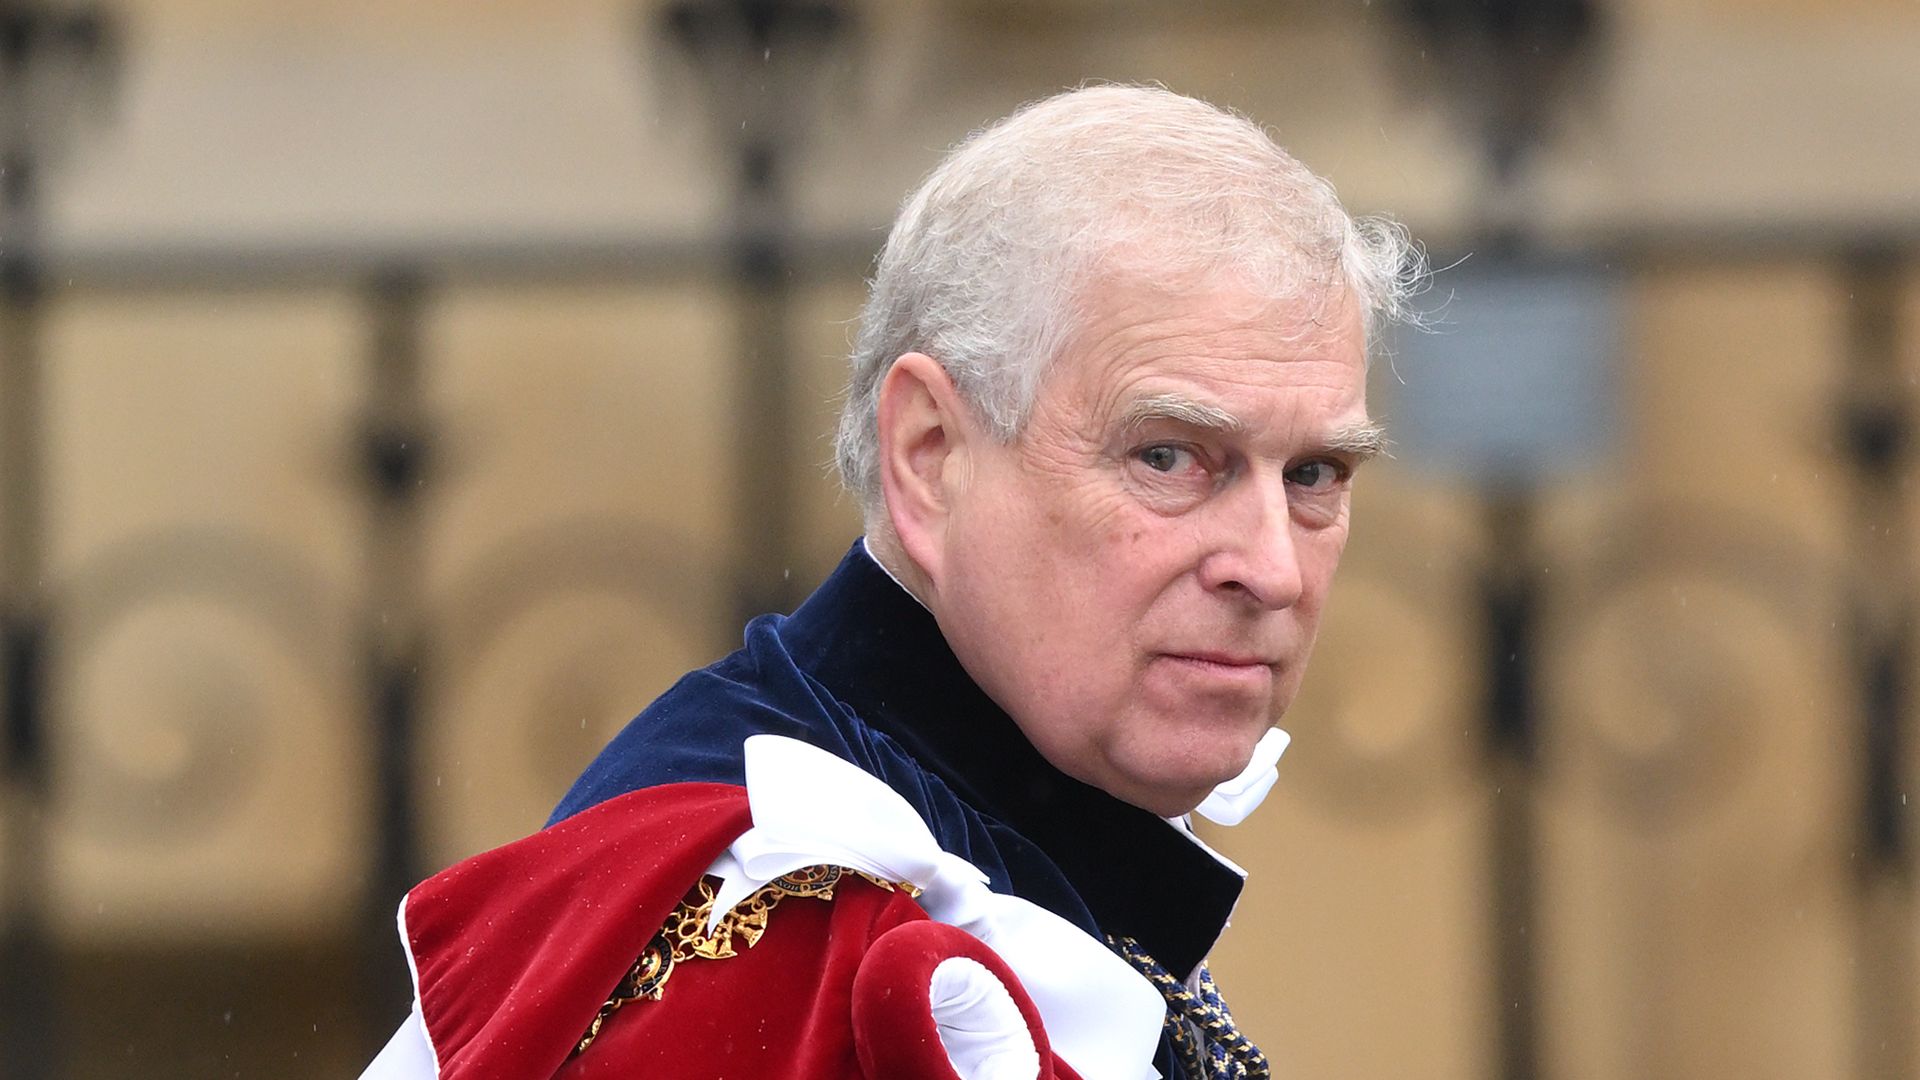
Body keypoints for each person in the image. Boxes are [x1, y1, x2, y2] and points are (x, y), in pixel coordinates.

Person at [362, 83, 1416, 1080]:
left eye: (1316, 474)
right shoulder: (786, 930)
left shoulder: (1008, 832)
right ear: (929, 455)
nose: (1273, 568)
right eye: (1170, 457)